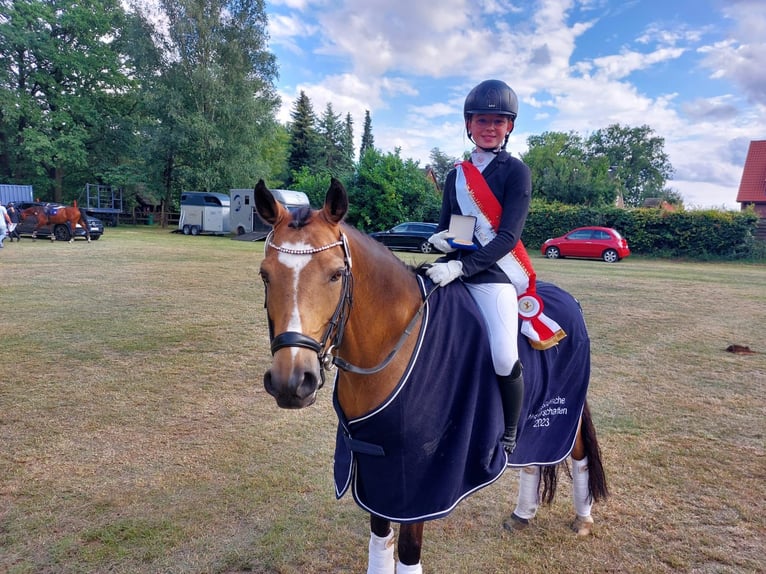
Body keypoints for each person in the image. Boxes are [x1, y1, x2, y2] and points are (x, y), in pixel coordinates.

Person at [426, 79, 564, 457]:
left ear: (509, 127)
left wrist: (461, 269)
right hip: (453, 264)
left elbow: (506, 238)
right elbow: (453, 226)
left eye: (498, 121)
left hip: (495, 275)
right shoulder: (457, 174)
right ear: (469, 124)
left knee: (504, 354)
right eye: (482, 120)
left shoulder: (516, 172)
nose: (490, 127)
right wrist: (440, 240)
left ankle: (510, 427)